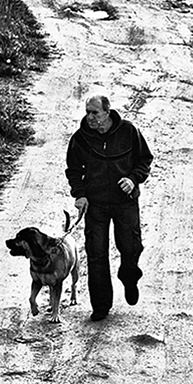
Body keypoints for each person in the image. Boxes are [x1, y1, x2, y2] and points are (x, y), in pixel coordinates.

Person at [66, 95, 153, 322]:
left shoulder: (128, 132)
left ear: (107, 112)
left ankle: (129, 276)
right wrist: (80, 195)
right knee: (96, 254)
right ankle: (101, 306)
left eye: (95, 112)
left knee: (131, 247)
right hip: (96, 205)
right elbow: (73, 169)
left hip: (125, 201)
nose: (90, 117)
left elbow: (144, 160)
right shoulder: (81, 138)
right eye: (87, 112)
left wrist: (133, 179)